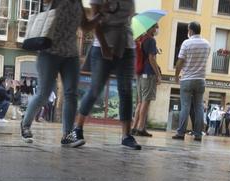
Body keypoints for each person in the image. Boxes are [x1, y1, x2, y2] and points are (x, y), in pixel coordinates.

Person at [72, 0, 143, 150]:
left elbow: (129, 18)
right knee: (95, 89)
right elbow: (94, 22)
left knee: (126, 90)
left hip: (126, 46)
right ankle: (77, 128)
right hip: (103, 46)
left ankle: (126, 135)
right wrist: (104, 46)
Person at [20, 0, 85, 146]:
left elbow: (85, 25)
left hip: (71, 54)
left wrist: (100, 15)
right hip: (49, 52)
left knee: (71, 93)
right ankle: (25, 124)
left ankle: (67, 135)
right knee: (44, 94)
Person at [172, 22, 210, 141]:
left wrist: (176, 75)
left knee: (185, 106)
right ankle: (198, 134)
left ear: (191, 30)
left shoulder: (186, 43)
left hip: (187, 79)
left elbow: (180, 61)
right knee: (198, 107)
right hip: (201, 79)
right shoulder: (207, 44)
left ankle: (181, 133)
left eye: (188, 30)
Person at [131, 25, 161, 138]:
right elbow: (151, 59)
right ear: (151, 28)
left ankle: (134, 127)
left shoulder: (141, 39)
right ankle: (141, 128)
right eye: (156, 27)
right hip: (148, 74)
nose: (157, 29)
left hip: (139, 73)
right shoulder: (151, 40)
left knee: (140, 101)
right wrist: (158, 74)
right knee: (146, 101)